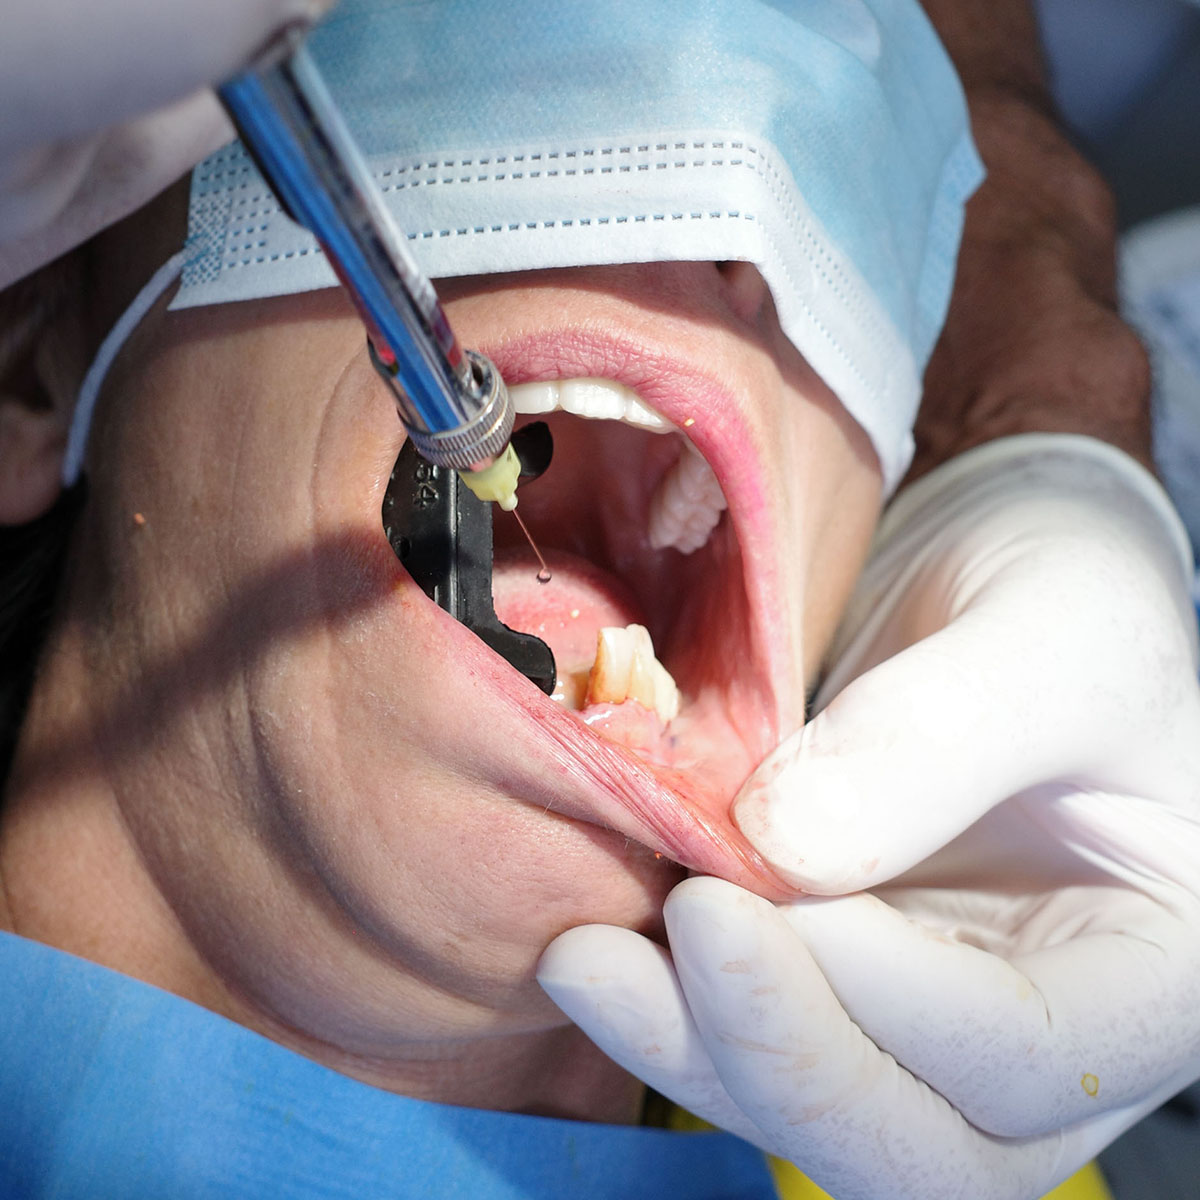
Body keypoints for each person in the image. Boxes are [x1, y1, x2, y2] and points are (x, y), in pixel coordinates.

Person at [1, 4, 1198, 1200]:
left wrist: (1039, 411)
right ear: (27, 350)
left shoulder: (986, 1117)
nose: (734, 228)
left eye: (841, 142)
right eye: (548, 33)